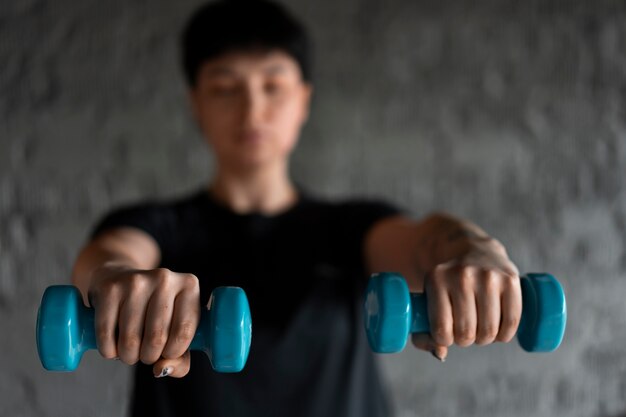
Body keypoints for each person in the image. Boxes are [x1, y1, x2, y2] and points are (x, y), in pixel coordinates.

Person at [70, 0, 522, 416]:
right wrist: (117, 281)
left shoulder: (351, 227)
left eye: (273, 85)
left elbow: (424, 243)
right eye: (226, 88)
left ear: (303, 100)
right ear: (196, 105)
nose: (252, 110)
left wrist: (473, 247)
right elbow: (107, 259)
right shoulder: (155, 227)